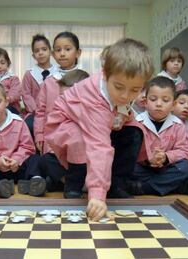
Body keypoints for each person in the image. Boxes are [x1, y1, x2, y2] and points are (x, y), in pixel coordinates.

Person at [44, 38, 153, 221]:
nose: (126, 95)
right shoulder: (94, 97)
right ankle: (73, 186)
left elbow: (123, 115)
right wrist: (97, 195)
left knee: (135, 132)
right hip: (65, 125)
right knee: (79, 139)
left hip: (101, 125)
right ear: (105, 74)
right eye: (118, 87)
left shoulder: (123, 91)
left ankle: (117, 185)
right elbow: (99, 147)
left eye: (135, 89)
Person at [0, 80, 45, 198]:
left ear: (6, 102)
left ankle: (35, 181)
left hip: (16, 167)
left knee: (35, 158)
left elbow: (27, 146)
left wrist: (16, 159)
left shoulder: (18, 122)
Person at [127, 76, 188, 196]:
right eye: (153, 99)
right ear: (145, 102)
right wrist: (148, 158)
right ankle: (176, 186)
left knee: (187, 167)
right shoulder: (137, 123)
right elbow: (130, 152)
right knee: (126, 167)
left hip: (166, 168)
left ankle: (143, 188)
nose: (159, 104)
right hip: (144, 168)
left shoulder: (178, 125)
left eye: (165, 100)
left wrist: (166, 157)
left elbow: (184, 151)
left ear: (173, 104)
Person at [38, 69, 89, 192]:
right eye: (62, 97)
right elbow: (53, 133)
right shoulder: (59, 108)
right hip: (66, 159)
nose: (64, 101)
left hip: (87, 161)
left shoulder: (91, 108)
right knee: (45, 160)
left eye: (69, 97)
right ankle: (65, 182)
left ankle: (58, 183)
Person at [34, 31, 82, 153]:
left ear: (78, 53)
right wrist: (39, 134)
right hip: (51, 137)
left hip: (78, 138)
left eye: (67, 49)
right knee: (51, 168)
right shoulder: (49, 81)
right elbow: (40, 111)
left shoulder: (85, 80)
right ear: (53, 54)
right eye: (58, 50)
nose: (62, 54)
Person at [21, 34, 57, 115]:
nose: (40, 53)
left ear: (50, 52)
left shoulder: (58, 72)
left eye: (44, 49)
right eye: (37, 51)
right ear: (33, 55)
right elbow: (26, 95)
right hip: (34, 113)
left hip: (54, 112)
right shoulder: (29, 74)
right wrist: (36, 111)